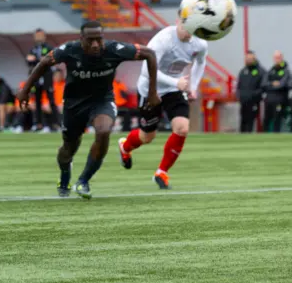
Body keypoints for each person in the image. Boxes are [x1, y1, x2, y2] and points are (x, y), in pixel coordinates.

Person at [17, 21, 160, 199]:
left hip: (102, 101)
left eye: (98, 40)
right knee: (69, 148)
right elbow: (45, 62)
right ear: (81, 39)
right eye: (90, 40)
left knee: (104, 131)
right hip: (73, 104)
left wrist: (153, 92)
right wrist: (25, 91)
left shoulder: (114, 49)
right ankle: (65, 174)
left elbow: (150, 54)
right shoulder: (70, 50)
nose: (95, 45)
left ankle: (83, 180)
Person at [118, 21, 208, 189]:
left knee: (182, 128)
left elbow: (201, 62)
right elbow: (146, 70)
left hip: (174, 89)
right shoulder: (164, 39)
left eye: (192, 28)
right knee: (147, 137)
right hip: (150, 89)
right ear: (178, 21)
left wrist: (193, 87)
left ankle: (162, 172)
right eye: (185, 26)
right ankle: (125, 146)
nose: (188, 32)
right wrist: (177, 82)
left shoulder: (200, 42)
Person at [26, 28, 59, 132]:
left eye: (40, 35)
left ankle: (57, 123)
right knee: (37, 101)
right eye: (37, 35)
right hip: (36, 77)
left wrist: (35, 59)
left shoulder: (48, 47)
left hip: (46, 76)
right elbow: (29, 61)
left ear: (44, 36)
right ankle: (38, 124)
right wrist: (38, 59)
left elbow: (49, 60)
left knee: (51, 100)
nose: (38, 37)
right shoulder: (33, 49)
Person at [237, 50, 266, 133]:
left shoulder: (261, 71)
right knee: (243, 120)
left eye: (250, 58)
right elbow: (238, 86)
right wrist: (239, 95)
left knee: (251, 121)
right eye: (247, 58)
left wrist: (253, 95)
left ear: (254, 59)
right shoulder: (243, 71)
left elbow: (263, 87)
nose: (248, 60)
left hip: (254, 102)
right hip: (243, 101)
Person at [262, 50, 291, 132]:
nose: (277, 59)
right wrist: (273, 84)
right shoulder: (271, 71)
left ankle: (276, 135)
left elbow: (283, 84)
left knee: (277, 119)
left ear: (281, 58)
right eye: (275, 58)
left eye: (278, 57)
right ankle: (263, 137)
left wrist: (272, 85)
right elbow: (264, 84)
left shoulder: (286, 71)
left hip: (280, 100)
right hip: (269, 100)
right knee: (266, 119)